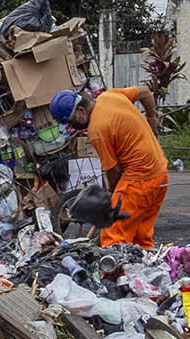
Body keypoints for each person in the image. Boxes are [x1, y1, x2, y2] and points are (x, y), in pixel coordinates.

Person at [53, 83, 168, 249]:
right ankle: (142, 270)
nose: (73, 127)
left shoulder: (97, 130)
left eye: (72, 122)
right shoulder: (110, 96)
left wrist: (111, 194)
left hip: (139, 180)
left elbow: (113, 170)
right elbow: (145, 92)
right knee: (139, 236)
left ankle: (114, 274)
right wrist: (152, 118)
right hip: (160, 174)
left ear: (81, 111)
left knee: (113, 236)